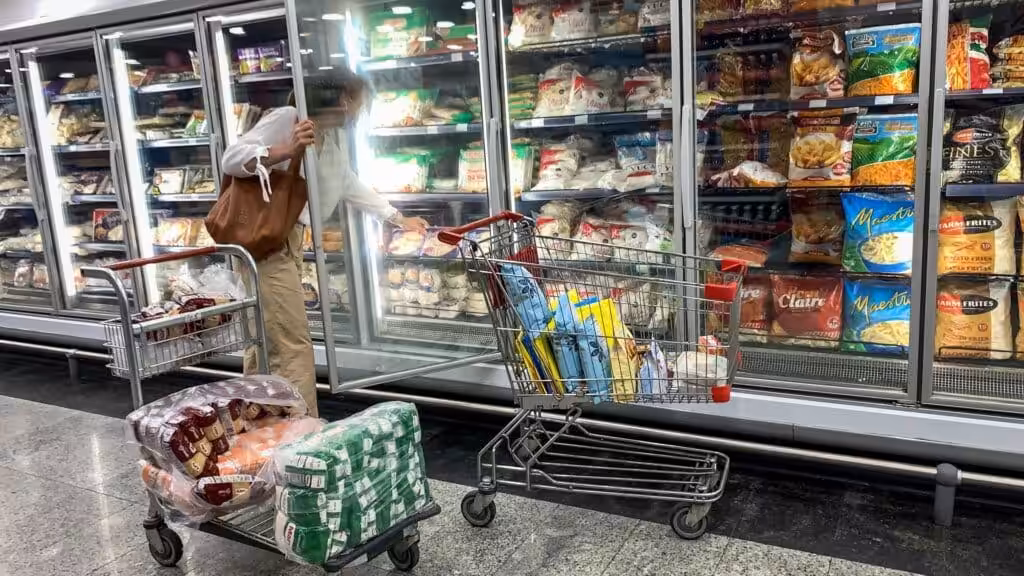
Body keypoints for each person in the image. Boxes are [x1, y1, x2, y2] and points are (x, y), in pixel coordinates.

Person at [221, 69, 427, 417]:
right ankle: (299, 430)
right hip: (266, 242)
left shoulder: (332, 136)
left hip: (289, 240)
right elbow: (231, 158)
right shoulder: (289, 119)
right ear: (343, 99)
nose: (362, 109)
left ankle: (255, 420)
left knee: (266, 336)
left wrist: (396, 217)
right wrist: (287, 148)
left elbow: (347, 182)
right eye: (360, 101)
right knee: (292, 341)